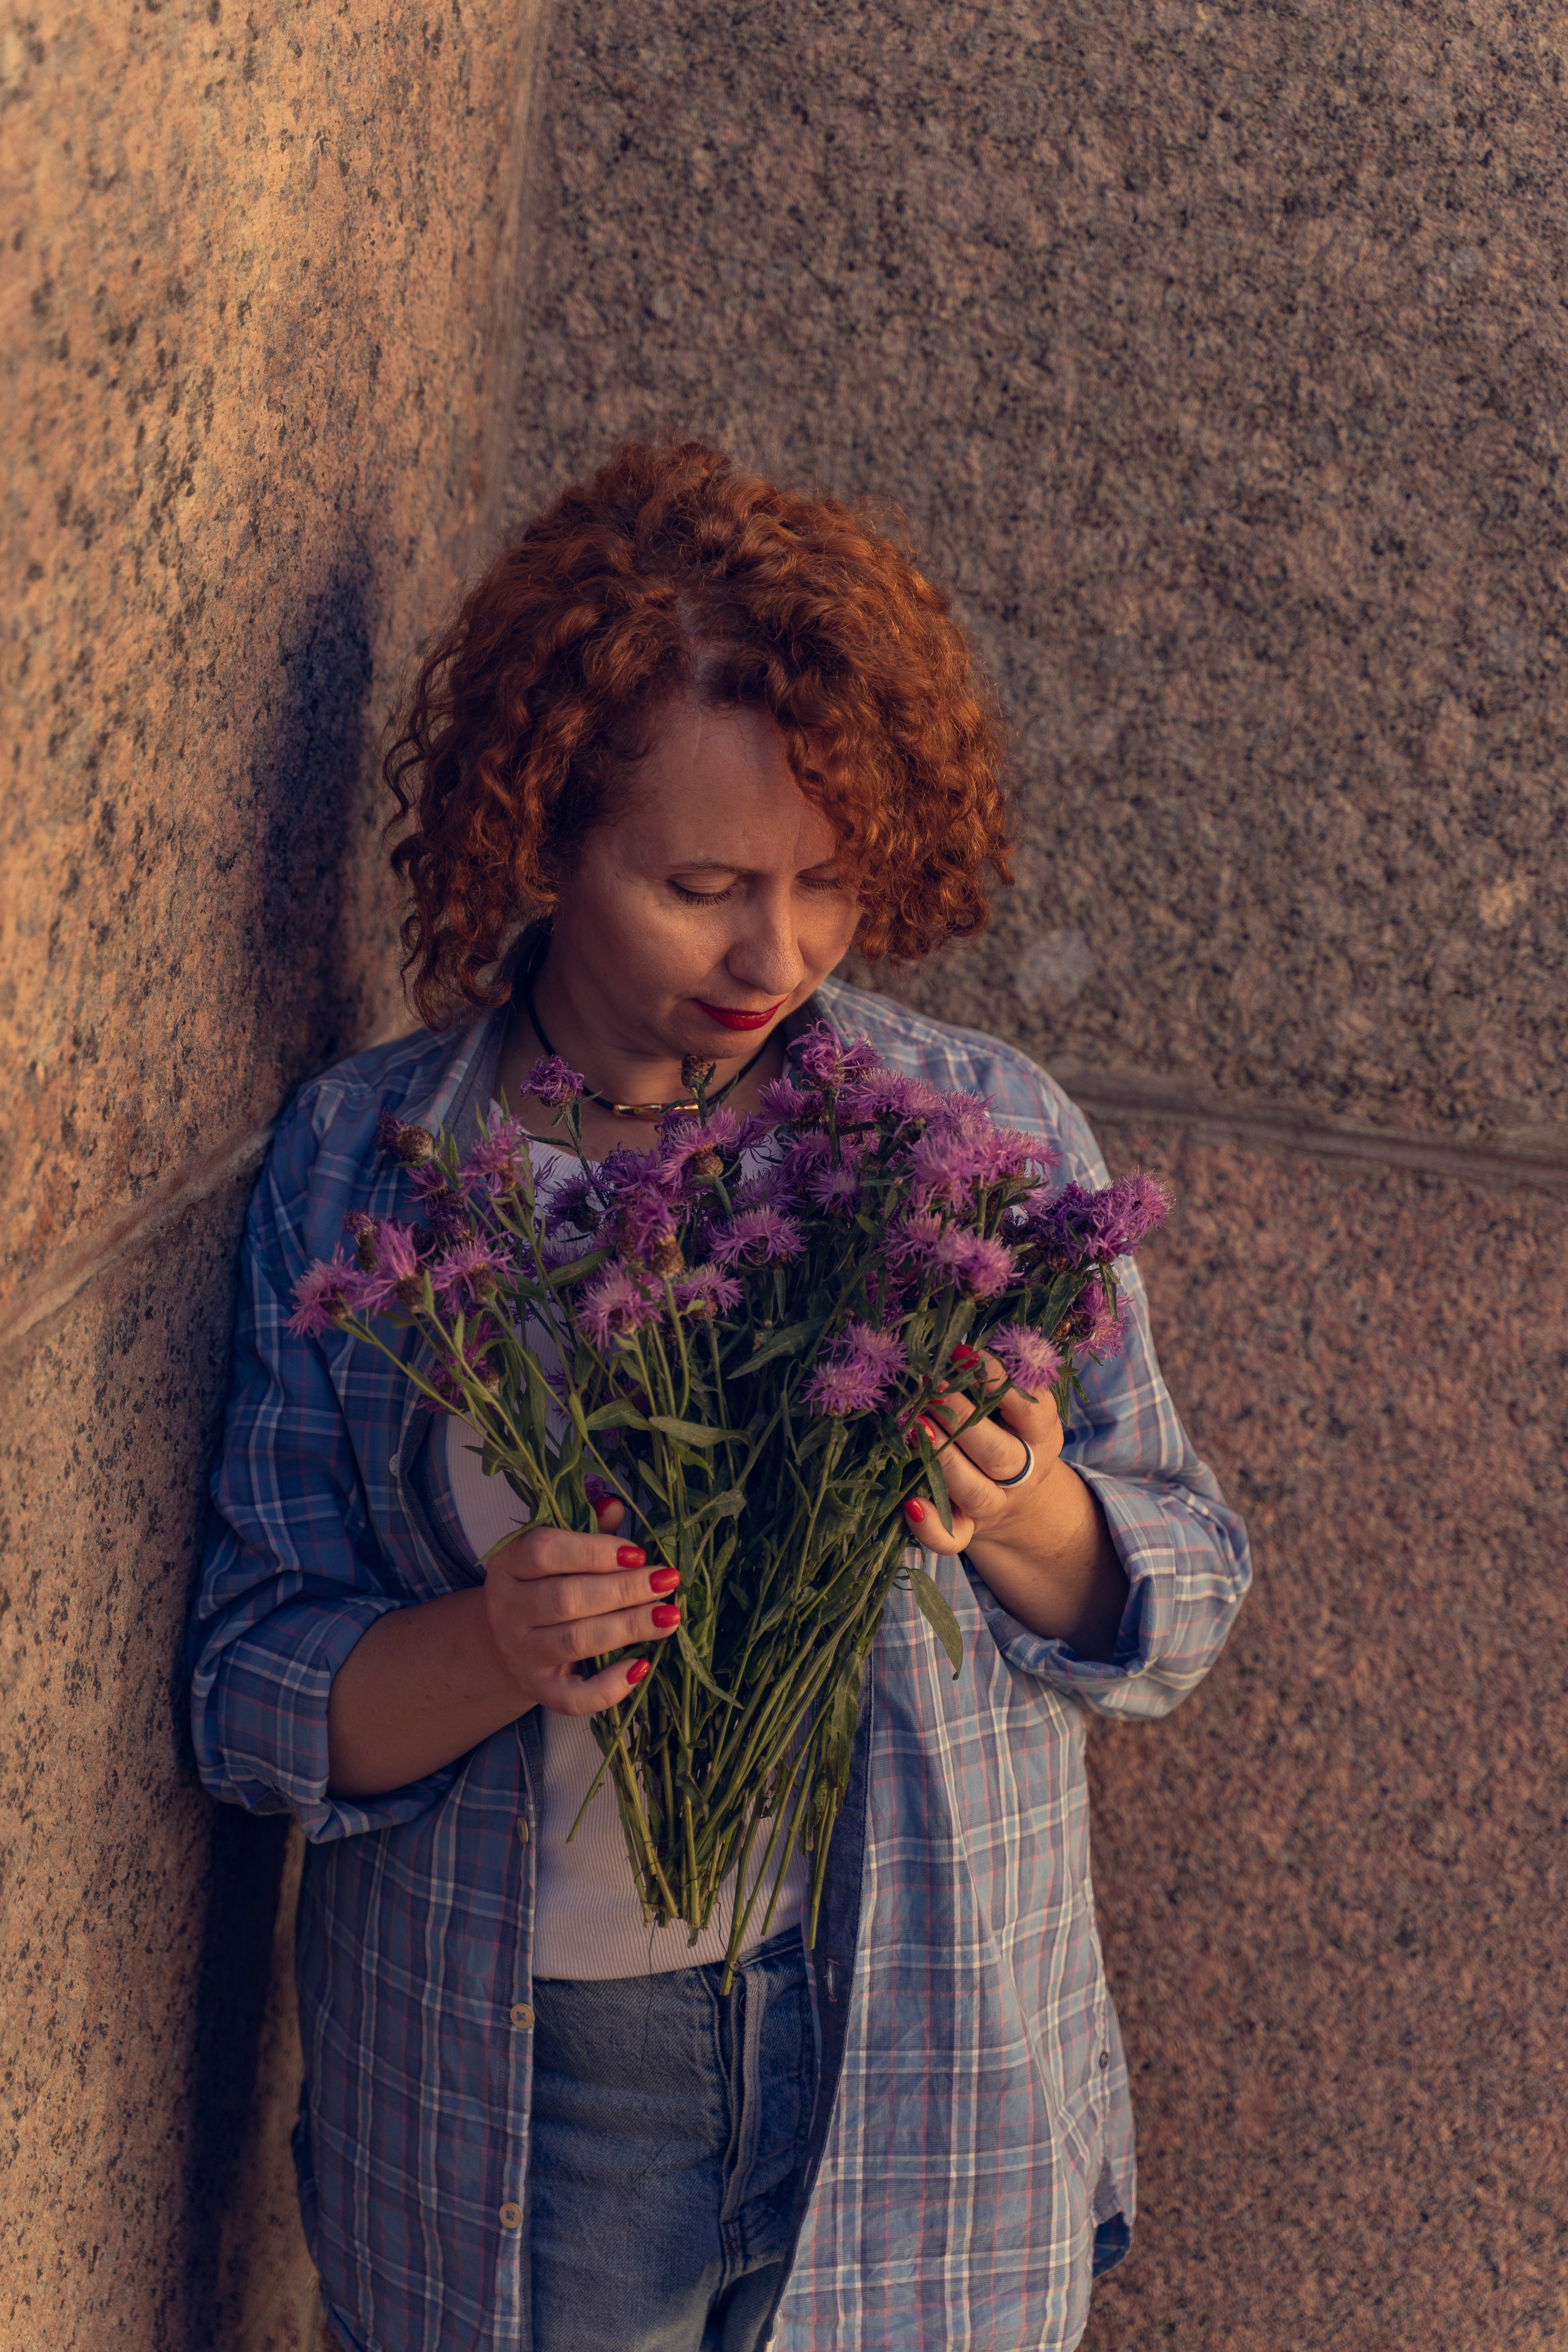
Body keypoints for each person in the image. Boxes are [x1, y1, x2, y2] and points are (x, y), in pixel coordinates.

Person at [190, 440, 1250, 2352]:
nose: (777, 956)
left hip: (925, 2062)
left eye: (828, 885)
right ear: (544, 838)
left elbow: (1186, 1592)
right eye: (699, 886)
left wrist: (1026, 1516)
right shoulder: (367, 1168)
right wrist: (488, 1646)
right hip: (526, 2096)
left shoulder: (981, 1142)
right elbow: (246, 1686)